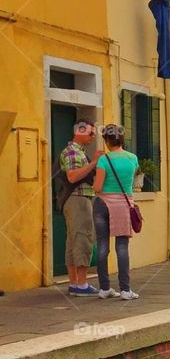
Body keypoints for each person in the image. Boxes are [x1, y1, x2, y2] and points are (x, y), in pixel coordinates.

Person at [92, 124, 139, 300]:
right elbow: (131, 181)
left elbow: (97, 187)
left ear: (106, 140)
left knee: (102, 246)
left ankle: (104, 288)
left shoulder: (104, 160)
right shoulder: (132, 158)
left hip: (102, 204)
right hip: (123, 206)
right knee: (122, 247)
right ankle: (125, 290)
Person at [59, 120, 104, 296]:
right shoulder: (73, 151)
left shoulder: (78, 151)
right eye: (91, 133)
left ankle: (74, 283)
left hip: (75, 199)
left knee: (73, 240)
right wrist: (94, 163)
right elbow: (72, 176)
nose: (93, 137)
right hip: (78, 198)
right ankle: (82, 284)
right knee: (83, 238)